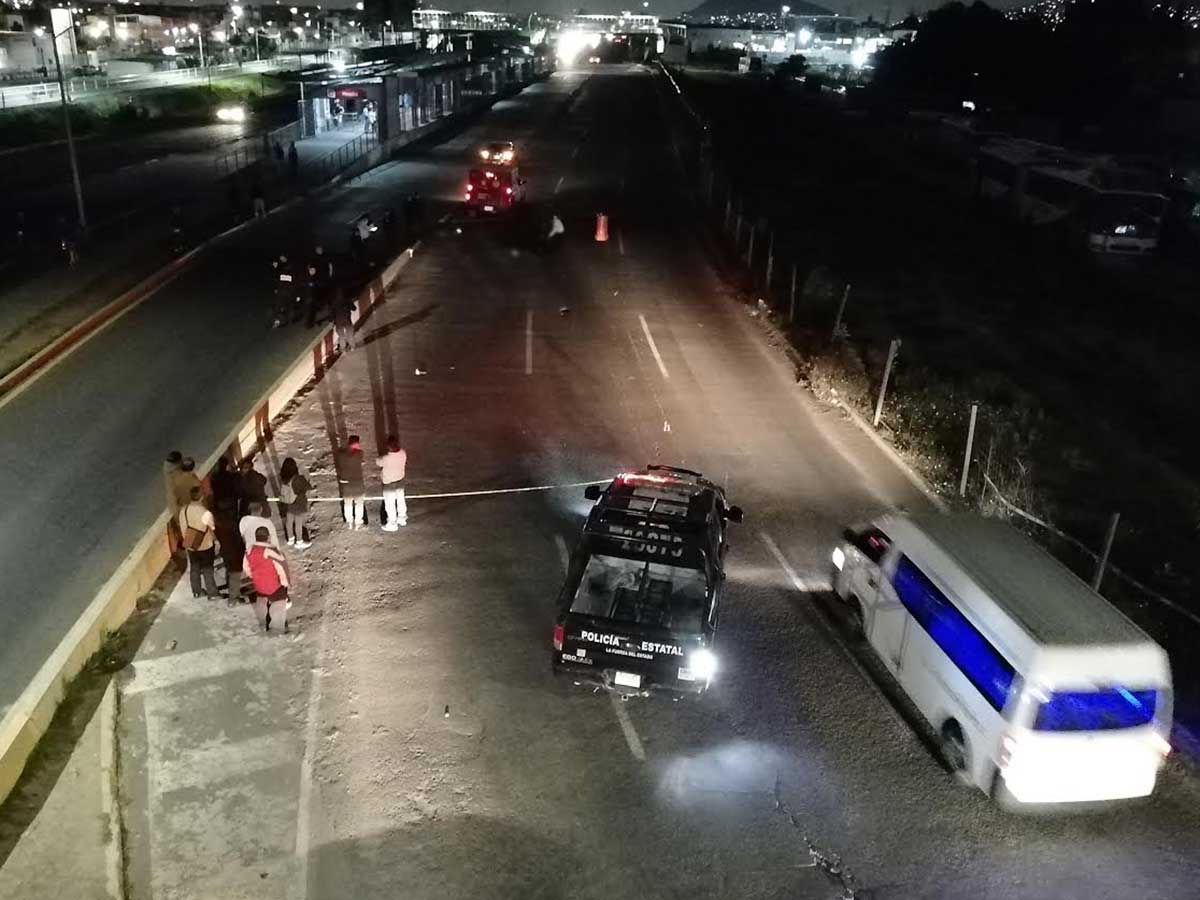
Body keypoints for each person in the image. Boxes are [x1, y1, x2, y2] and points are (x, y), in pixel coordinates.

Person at [243, 526, 290, 633]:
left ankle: (262, 624)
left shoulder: (249, 551)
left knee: (261, 602)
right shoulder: (271, 551)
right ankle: (276, 629)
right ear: (268, 537)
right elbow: (281, 568)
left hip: (259, 584)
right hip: (274, 585)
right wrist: (285, 583)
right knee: (278, 604)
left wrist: (253, 576)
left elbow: (245, 566)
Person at [179, 486, 219, 599]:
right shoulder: (205, 513)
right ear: (201, 497)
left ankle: (196, 591)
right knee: (207, 568)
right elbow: (212, 527)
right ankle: (212, 593)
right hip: (205, 545)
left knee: (194, 567)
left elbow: (182, 526)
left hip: (190, 543)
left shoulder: (184, 510)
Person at [279, 457, 313, 548]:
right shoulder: (299, 478)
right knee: (298, 523)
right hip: (299, 503)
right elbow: (309, 487)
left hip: (289, 502)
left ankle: (290, 539)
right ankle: (299, 541)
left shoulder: (284, 479)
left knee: (289, 521)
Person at [376, 435, 407, 531]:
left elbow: (378, 462)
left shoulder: (386, 458)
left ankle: (392, 524)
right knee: (401, 501)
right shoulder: (403, 453)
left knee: (390, 504)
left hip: (389, 483)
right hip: (400, 480)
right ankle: (402, 518)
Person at [336, 434, 366, 528]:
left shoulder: (341, 455)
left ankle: (349, 521)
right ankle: (358, 522)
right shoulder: (359, 453)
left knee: (347, 503)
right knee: (359, 504)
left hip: (346, 483)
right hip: (358, 483)